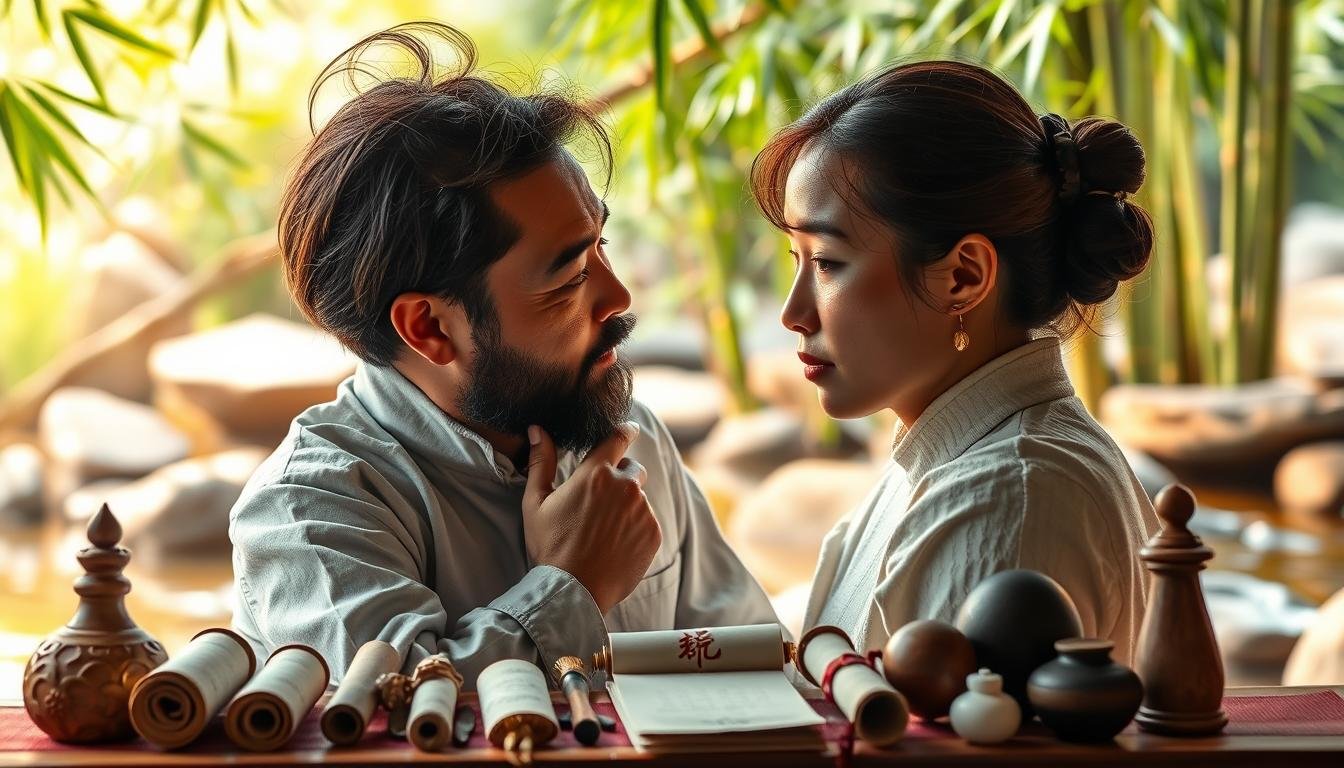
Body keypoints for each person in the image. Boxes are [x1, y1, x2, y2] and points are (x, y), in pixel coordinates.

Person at [229, 22, 776, 685]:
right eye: (570, 277)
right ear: (428, 329)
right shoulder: (311, 511)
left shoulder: (628, 442)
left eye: (601, 244)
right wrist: (570, 587)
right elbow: (388, 720)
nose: (618, 297)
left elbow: (753, 662)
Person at [750, 60, 1159, 663]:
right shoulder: (954, 461)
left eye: (828, 263)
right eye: (796, 259)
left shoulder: (1010, 500)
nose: (793, 313)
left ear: (964, 276)